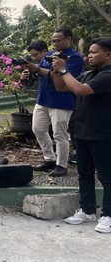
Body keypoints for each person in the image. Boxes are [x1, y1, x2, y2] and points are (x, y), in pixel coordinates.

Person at [52, 37, 111, 233]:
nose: (89, 55)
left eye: (94, 52)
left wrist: (64, 70)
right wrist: (55, 69)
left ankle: (108, 214)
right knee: (84, 175)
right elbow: (61, 86)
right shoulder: (89, 74)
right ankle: (87, 211)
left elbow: (79, 89)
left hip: (103, 133)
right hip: (83, 131)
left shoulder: (108, 75)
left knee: (107, 176)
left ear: (108, 55)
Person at [22, 28, 84, 177]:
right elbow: (43, 71)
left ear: (68, 39)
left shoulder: (74, 57)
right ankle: (49, 158)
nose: (55, 43)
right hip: (43, 99)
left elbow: (63, 76)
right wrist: (32, 70)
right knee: (38, 128)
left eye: (58, 40)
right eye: (53, 41)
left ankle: (61, 165)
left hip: (62, 101)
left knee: (59, 133)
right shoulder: (50, 54)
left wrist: (37, 69)